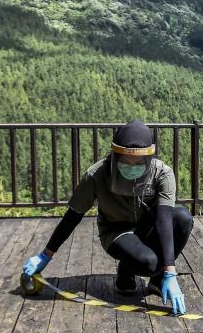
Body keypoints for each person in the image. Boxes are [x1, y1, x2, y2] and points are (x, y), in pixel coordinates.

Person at [21, 119, 193, 314]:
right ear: (115, 154)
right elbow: (73, 216)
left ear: (149, 157)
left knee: (182, 217)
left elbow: (164, 220)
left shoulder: (162, 173)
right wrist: (45, 255)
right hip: (116, 232)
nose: (132, 165)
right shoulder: (97, 174)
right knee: (149, 263)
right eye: (126, 160)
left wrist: (170, 272)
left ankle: (157, 280)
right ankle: (127, 270)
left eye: (138, 161)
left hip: (147, 226)